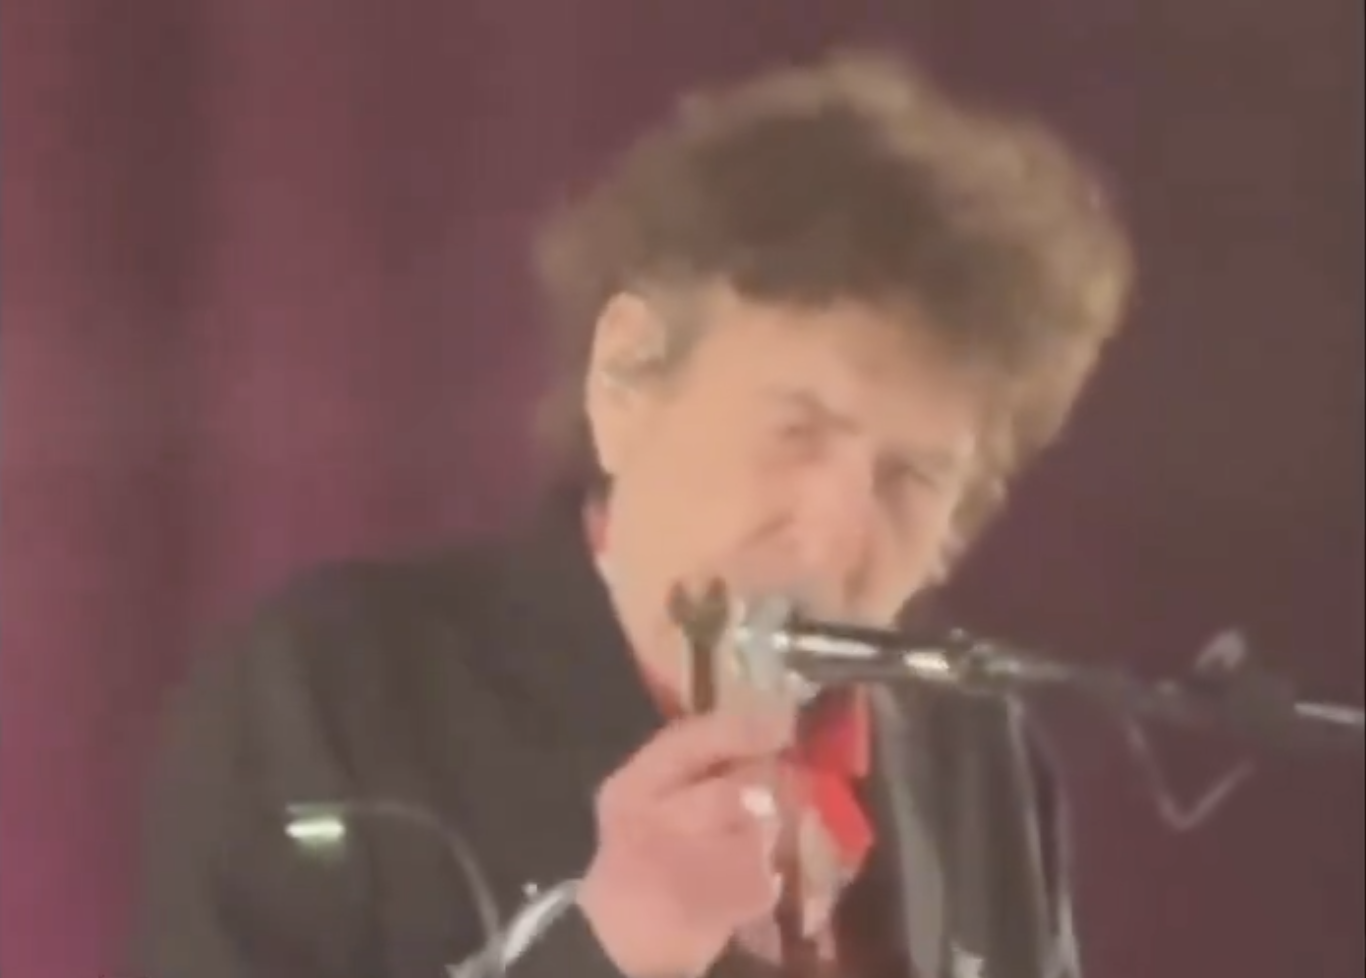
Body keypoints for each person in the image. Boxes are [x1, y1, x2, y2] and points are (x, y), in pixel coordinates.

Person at [131, 48, 1133, 978]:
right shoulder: (330, 691)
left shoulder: (976, 757)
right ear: (624, 378)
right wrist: (608, 947)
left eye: (910, 476)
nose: (837, 531)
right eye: (796, 430)